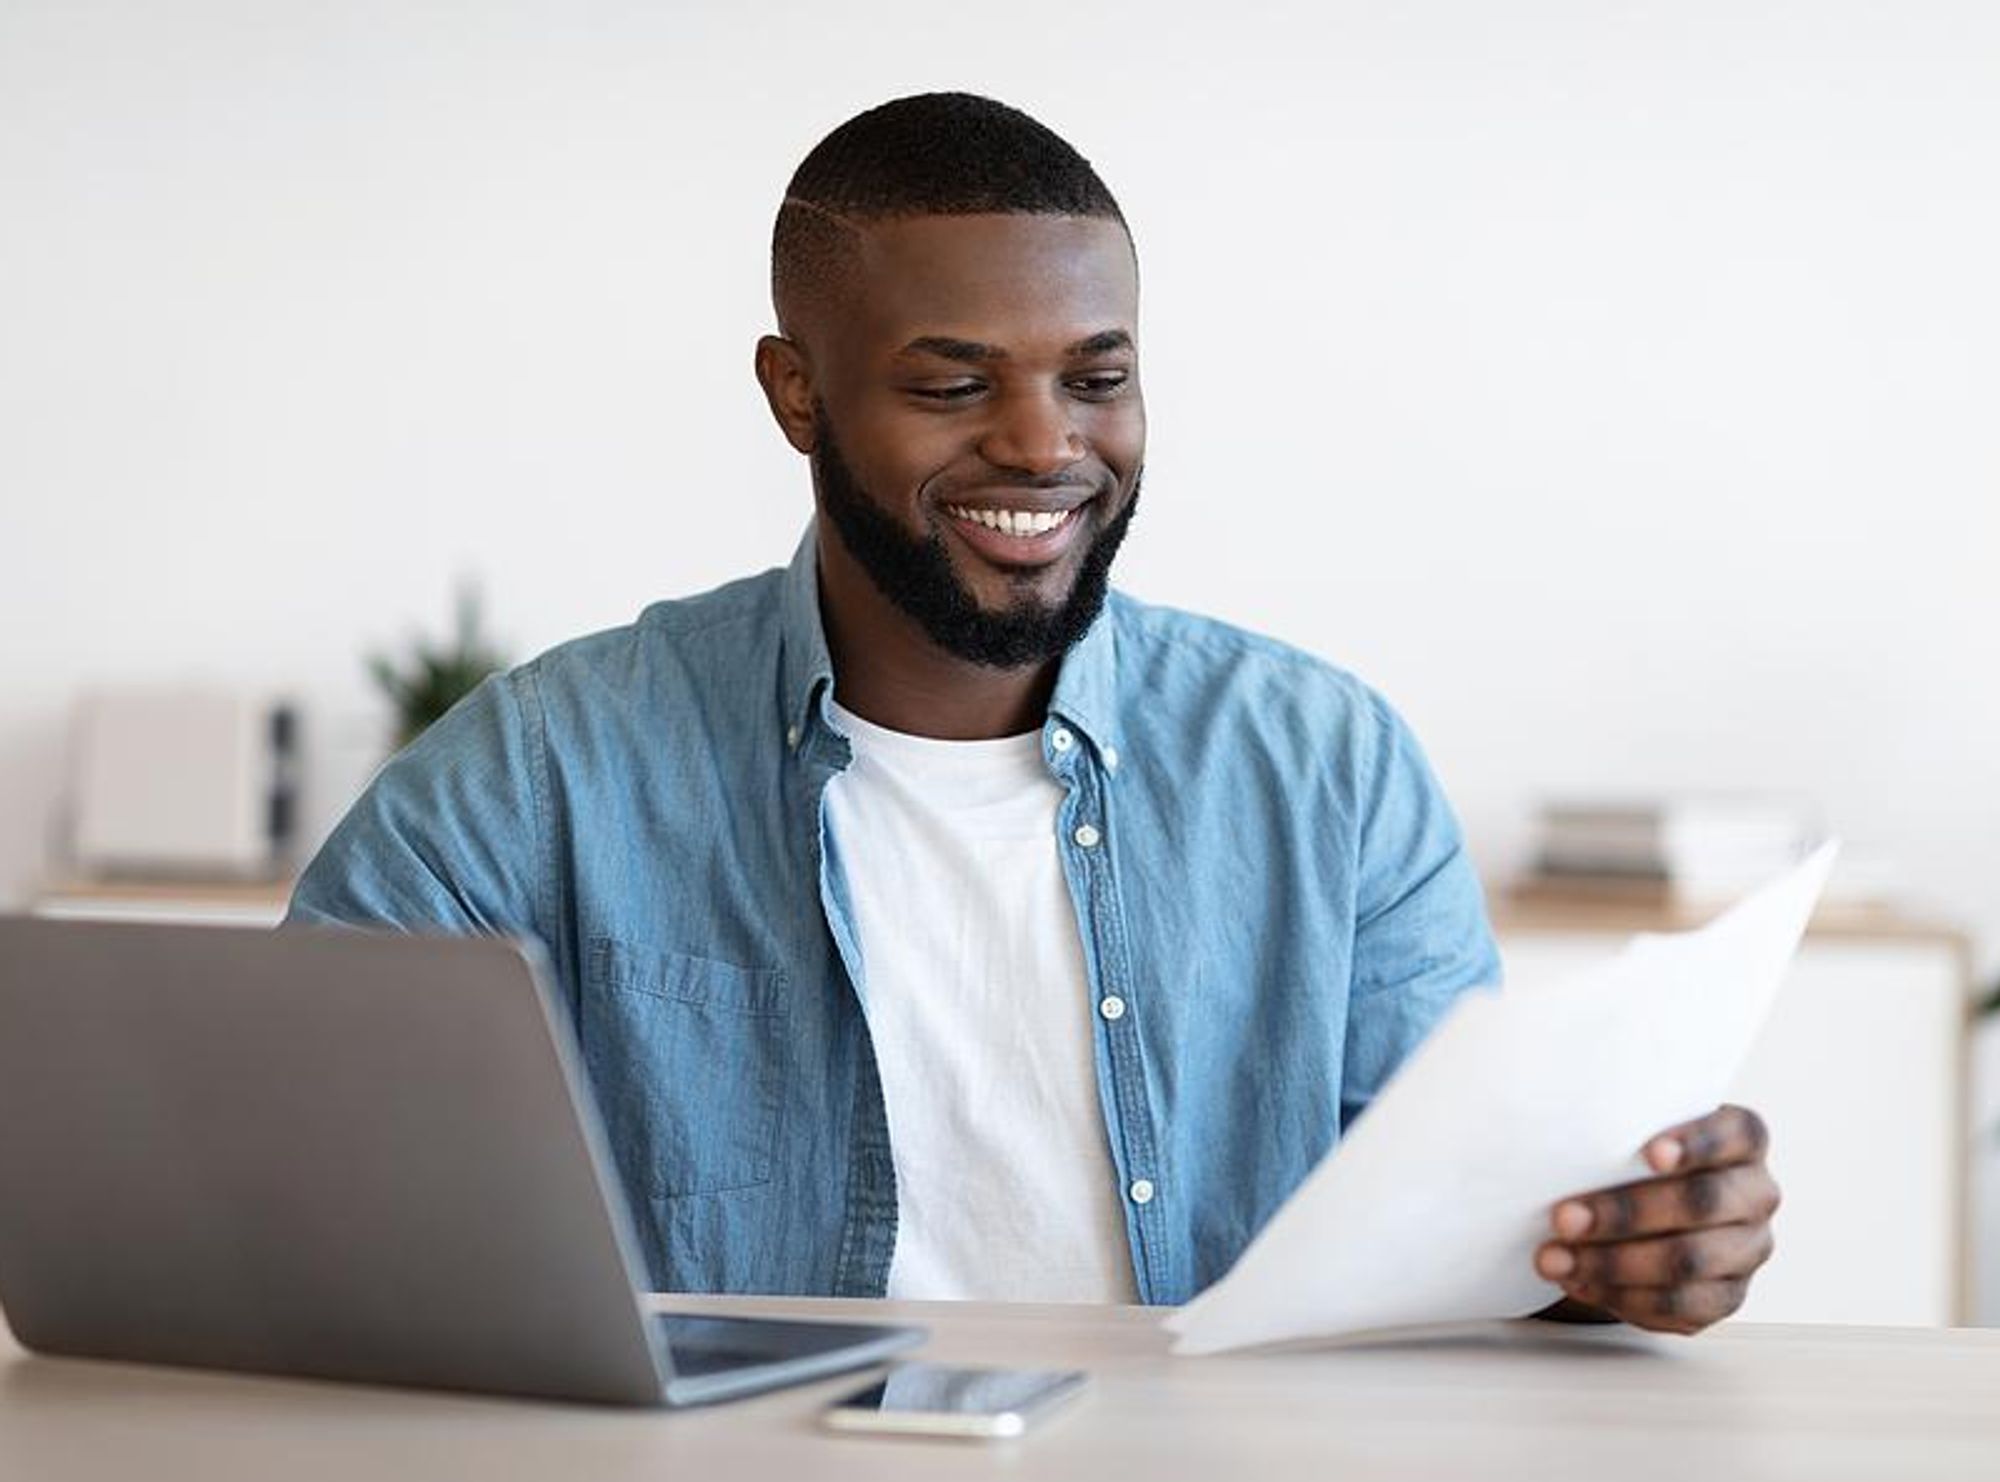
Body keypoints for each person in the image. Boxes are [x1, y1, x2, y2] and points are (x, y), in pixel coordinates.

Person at [289, 93, 1780, 1334]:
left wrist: (1612, 1252)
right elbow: (296, 1192)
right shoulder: (536, 769)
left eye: (1098, 376)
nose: (1042, 442)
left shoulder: (1326, 765)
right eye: (953, 384)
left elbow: (1463, 1248)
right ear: (796, 394)